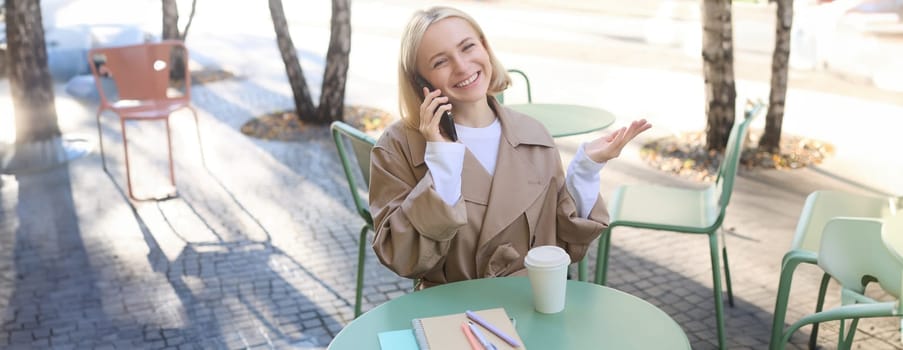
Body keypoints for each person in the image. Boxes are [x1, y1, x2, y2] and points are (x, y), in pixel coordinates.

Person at [369, 6, 651, 288]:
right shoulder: (397, 147)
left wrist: (586, 169)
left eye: (468, 47)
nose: (462, 66)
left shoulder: (534, 135)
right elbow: (401, 256)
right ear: (420, 82)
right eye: (440, 62)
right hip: (453, 314)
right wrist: (442, 162)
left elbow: (566, 246)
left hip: (532, 302)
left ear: (485, 47)